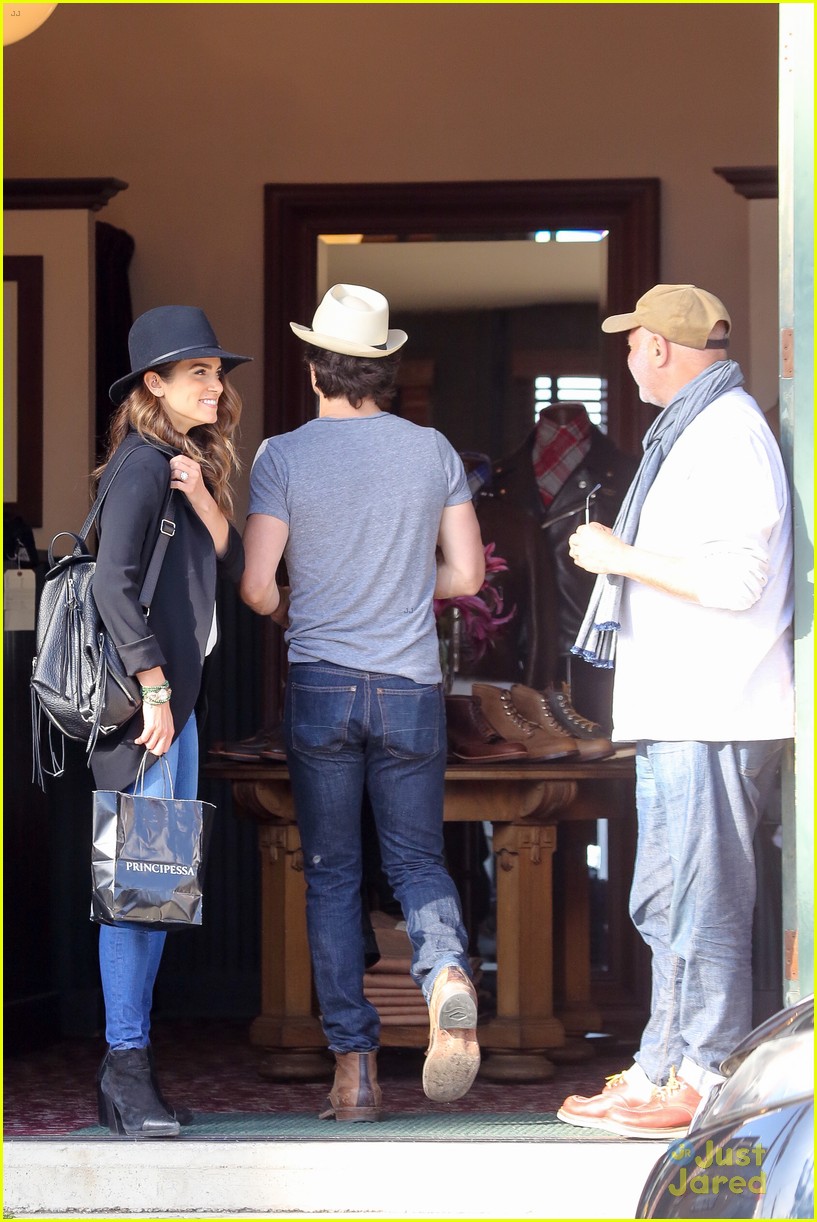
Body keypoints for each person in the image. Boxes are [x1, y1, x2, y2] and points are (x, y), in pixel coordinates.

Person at [241, 284, 485, 1121]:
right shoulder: (432, 450)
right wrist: (398, 587)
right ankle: (447, 968)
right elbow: (467, 577)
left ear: (313, 367)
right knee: (418, 861)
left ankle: (354, 1074)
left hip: (319, 686)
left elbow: (255, 588)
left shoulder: (281, 455)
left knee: (334, 876)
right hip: (410, 685)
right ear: (385, 370)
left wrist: (307, 600)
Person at [558, 283, 794, 1140]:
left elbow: (734, 582)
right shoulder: (699, 428)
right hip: (684, 707)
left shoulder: (726, 434)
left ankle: (701, 1078)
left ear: (657, 347)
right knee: (667, 898)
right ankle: (663, 1064)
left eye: (630, 345)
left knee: (704, 902)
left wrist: (619, 554)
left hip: (713, 708)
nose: (625, 360)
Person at [92, 305, 251, 1137]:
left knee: (156, 890)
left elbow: (224, 556)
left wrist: (199, 489)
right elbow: (109, 584)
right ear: (153, 384)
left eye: (218, 374)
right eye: (200, 373)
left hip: (171, 710)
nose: (217, 387)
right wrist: (153, 686)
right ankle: (126, 1069)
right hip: (146, 711)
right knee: (136, 892)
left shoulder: (176, 465)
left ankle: (128, 1072)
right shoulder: (138, 466)